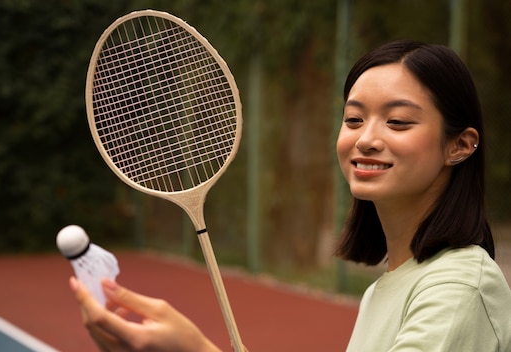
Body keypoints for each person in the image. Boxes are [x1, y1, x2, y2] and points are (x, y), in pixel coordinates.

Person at [68, 40, 511, 351]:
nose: (366, 139)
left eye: (397, 122)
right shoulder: (389, 288)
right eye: (354, 120)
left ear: (461, 145)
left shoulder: (458, 288)